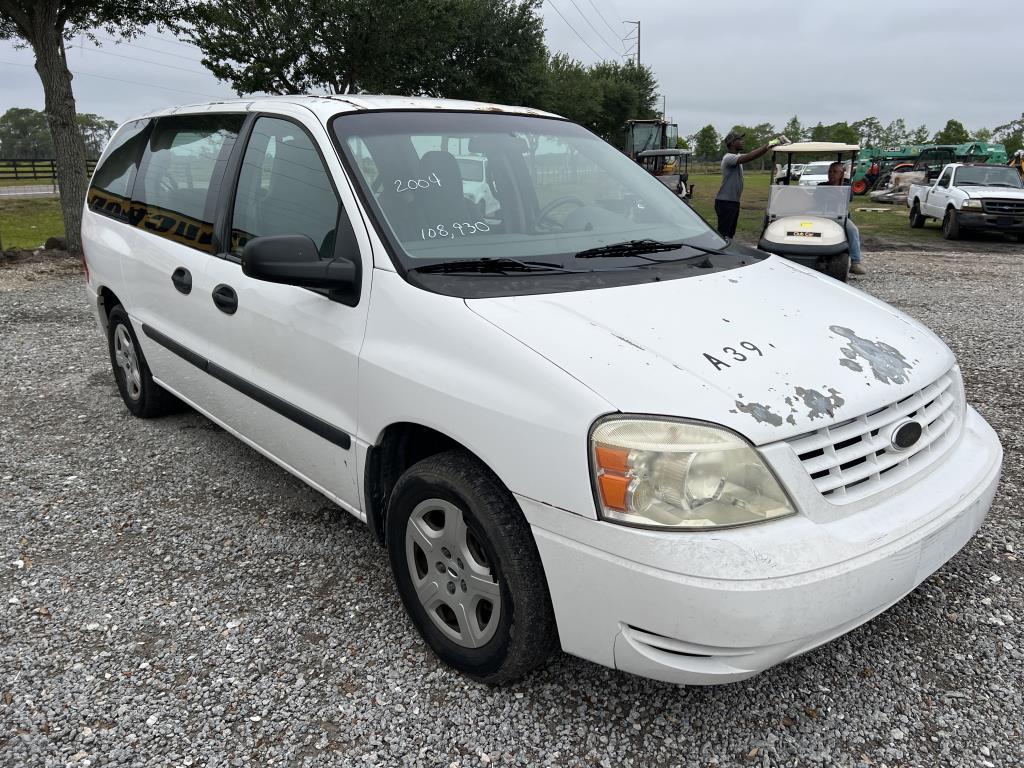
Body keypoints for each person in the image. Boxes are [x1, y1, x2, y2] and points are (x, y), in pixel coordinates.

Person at [715, 131, 783, 239]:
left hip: (733, 202)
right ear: (732, 143)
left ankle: (729, 252)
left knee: (730, 234)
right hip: (725, 202)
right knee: (723, 235)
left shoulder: (736, 157)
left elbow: (752, 154)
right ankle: (719, 254)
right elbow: (750, 157)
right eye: (739, 140)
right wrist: (769, 144)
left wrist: (768, 146)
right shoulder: (728, 158)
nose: (742, 141)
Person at [821, 161, 867, 275]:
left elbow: (849, 198)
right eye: (830, 171)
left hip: (838, 217)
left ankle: (856, 262)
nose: (831, 174)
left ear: (841, 174)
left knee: (853, 230)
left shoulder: (846, 188)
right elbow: (817, 199)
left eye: (835, 172)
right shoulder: (822, 186)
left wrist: (839, 191)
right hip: (821, 215)